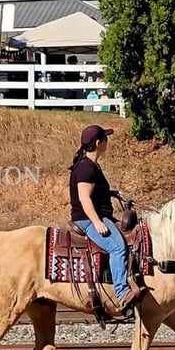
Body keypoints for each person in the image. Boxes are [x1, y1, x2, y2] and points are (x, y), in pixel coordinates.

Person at [68, 124, 138, 315]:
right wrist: (97, 223)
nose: (108, 141)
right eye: (105, 138)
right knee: (117, 247)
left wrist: (113, 193)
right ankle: (122, 293)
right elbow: (84, 197)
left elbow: (95, 191)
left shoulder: (92, 165)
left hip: (98, 216)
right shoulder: (85, 168)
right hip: (88, 219)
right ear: (99, 143)